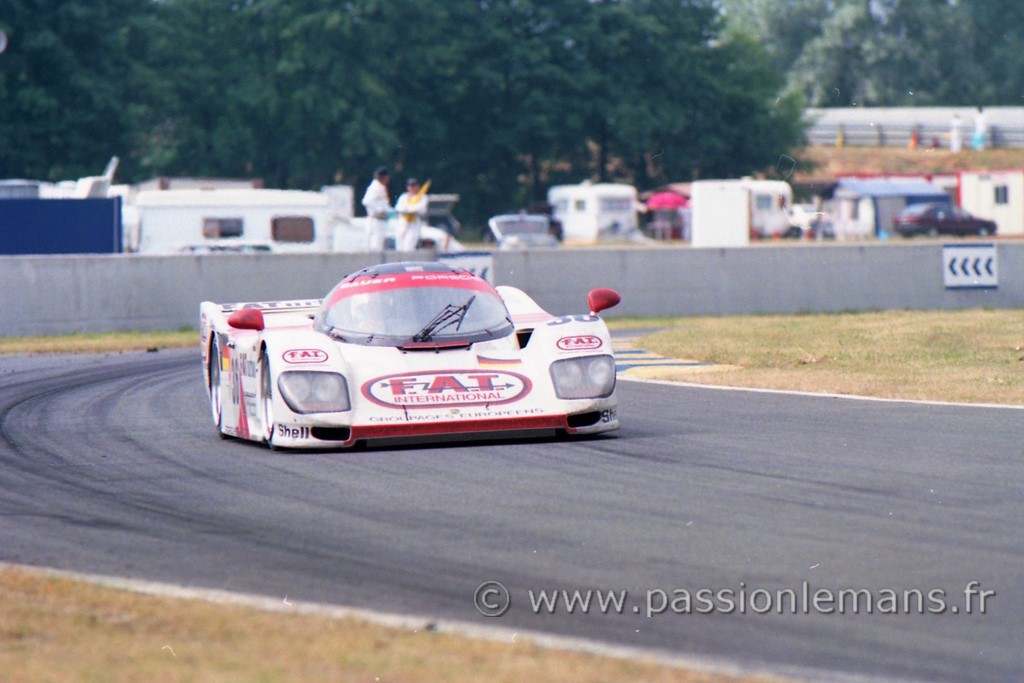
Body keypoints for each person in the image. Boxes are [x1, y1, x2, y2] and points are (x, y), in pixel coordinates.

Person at [394, 177, 429, 252]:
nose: (411, 188)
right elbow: (398, 208)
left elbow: (420, 208)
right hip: (403, 222)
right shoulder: (403, 197)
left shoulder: (422, 197)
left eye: (414, 185)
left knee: (409, 246)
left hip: (414, 224)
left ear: (417, 186)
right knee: (399, 245)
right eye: (410, 186)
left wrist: (408, 209)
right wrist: (409, 209)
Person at [362, 166, 392, 250]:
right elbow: (367, 201)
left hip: (380, 220)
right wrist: (380, 210)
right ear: (384, 177)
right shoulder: (376, 187)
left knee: (378, 244)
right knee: (376, 245)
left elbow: (384, 204)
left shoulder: (380, 187)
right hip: (376, 220)